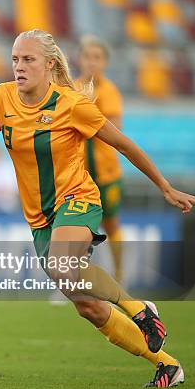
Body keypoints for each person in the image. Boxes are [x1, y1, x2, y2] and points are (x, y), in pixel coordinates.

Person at [0, 29, 195, 388]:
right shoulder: (0, 98)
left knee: (63, 264)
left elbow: (124, 145)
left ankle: (139, 309)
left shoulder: (71, 104)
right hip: (39, 218)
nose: (18, 67)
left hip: (78, 199)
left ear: (50, 64)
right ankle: (167, 365)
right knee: (88, 306)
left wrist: (165, 187)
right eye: (14, 59)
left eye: (28, 60)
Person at [76, 35, 125, 283]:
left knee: (111, 224)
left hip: (106, 172)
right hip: (79, 174)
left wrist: (86, 116)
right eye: (87, 57)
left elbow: (114, 129)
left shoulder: (110, 92)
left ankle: (118, 277)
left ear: (104, 62)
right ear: (79, 59)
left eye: (97, 57)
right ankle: (72, 279)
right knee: (78, 227)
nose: (91, 62)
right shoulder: (71, 89)